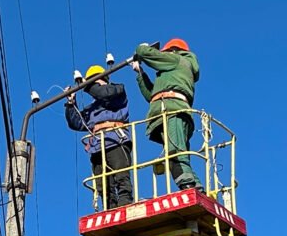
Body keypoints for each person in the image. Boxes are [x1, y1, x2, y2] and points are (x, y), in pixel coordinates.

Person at [133, 38, 200, 191]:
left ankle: (188, 186)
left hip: (172, 111)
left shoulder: (178, 60)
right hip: (169, 111)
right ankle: (197, 188)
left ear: (173, 50)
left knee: (176, 154)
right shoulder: (171, 73)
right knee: (177, 154)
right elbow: (152, 96)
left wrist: (142, 49)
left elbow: (147, 53)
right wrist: (140, 73)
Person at [65, 64, 134, 208]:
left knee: (121, 175)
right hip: (97, 145)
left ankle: (125, 204)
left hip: (116, 139)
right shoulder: (92, 108)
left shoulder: (117, 91)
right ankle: (110, 209)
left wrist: (87, 85)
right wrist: (71, 103)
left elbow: (104, 93)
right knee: (103, 184)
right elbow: (77, 122)